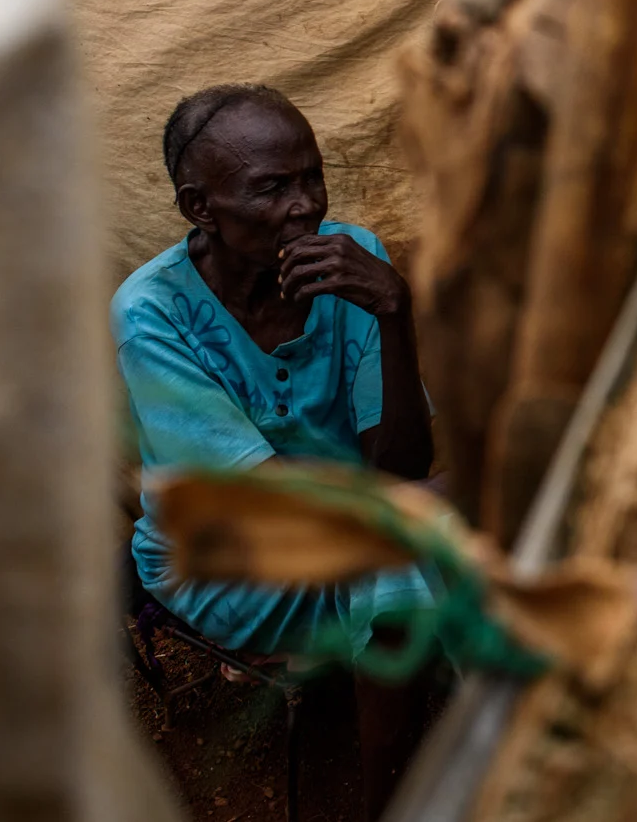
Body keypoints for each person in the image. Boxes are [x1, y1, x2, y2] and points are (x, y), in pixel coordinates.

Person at [112, 83, 437, 802]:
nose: (306, 205)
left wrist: (394, 311)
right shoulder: (152, 313)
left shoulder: (354, 261)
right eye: (271, 188)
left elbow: (401, 465)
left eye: (313, 177)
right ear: (200, 208)